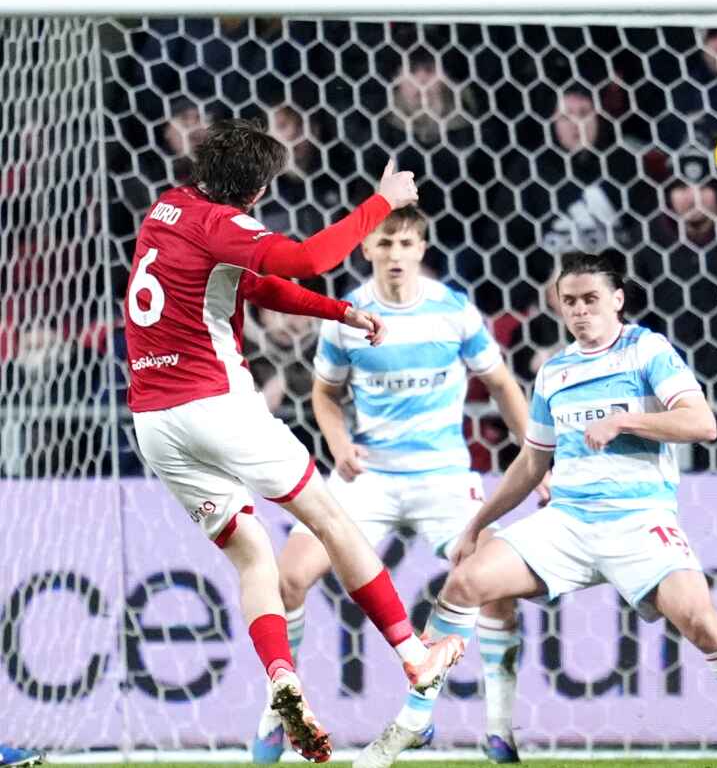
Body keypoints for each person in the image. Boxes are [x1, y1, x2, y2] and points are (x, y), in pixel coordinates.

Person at [356, 252, 717, 768]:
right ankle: (413, 721)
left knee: (701, 620)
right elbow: (532, 462)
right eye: (570, 302)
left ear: (617, 300)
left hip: (640, 519)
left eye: (591, 300)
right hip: (569, 522)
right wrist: (479, 523)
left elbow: (702, 423)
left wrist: (626, 421)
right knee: (464, 583)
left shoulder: (646, 350)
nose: (580, 312)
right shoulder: (555, 373)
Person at [122, 119, 463, 763]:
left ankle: (283, 681)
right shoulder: (225, 224)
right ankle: (416, 659)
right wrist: (382, 202)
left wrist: (340, 312)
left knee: (253, 554)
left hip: (154, 423)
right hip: (214, 404)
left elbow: (252, 283)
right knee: (332, 518)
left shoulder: (168, 209)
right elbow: (306, 258)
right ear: (254, 194)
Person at [250, 207, 531, 765]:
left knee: (496, 586)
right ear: (367, 250)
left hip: (445, 477)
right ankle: (280, 711)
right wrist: (337, 444)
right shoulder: (346, 317)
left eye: (406, 243)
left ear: (422, 248)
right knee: (288, 578)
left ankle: (499, 731)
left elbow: (500, 382)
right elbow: (325, 394)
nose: (396, 254)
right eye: (385, 243)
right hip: (369, 476)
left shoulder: (454, 312)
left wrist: (534, 456)